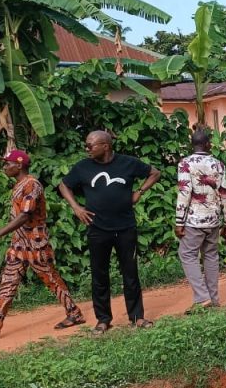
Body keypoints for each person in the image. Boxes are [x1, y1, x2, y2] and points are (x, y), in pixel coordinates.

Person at [58, 130, 161, 333]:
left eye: (91, 145)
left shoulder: (128, 163)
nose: (87, 149)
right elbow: (63, 185)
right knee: (99, 275)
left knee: (130, 274)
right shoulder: (82, 167)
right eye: (86, 145)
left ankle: (137, 317)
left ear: (105, 146)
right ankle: (103, 320)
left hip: (125, 228)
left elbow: (155, 173)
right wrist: (76, 208)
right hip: (98, 230)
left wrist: (139, 192)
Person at [0, 151, 85, 339]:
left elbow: (25, 215)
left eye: (8, 164)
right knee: (8, 282)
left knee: (51, 280)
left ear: (19, 165)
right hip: (19, 245)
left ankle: (74, 313)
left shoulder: (32, 185)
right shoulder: (19, 185)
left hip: (36, 244)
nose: (5, 167)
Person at [175, 128, 226, 313]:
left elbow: (184, 192)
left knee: (187, 254)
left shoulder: (185, 163)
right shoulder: (218, 164)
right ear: (208, 144)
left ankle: (202, 298)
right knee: (210, 256)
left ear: (192, 144)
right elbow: (224, 194)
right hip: (214, 220)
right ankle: (213, 300)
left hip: (194, 220)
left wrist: (179, 221)